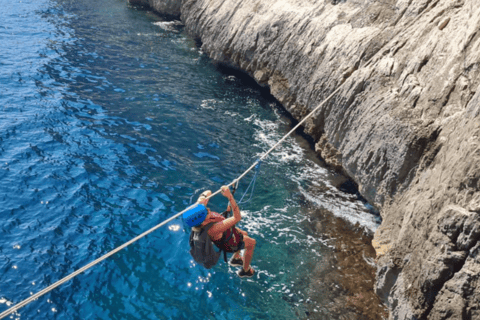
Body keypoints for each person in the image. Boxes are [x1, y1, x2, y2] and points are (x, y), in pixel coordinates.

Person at [195, 186, 256, 278]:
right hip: (230, 244)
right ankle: (245, 270)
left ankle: (236, 258)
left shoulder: (200, 215)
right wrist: (230, 196)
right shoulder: (212, 229)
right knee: (252, 243)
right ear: (203, 221)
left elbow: (209, 191)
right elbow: (237, 217)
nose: (208, 209)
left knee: (244, 234)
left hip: (228, 234)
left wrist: (202, 198)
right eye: (206, 212)